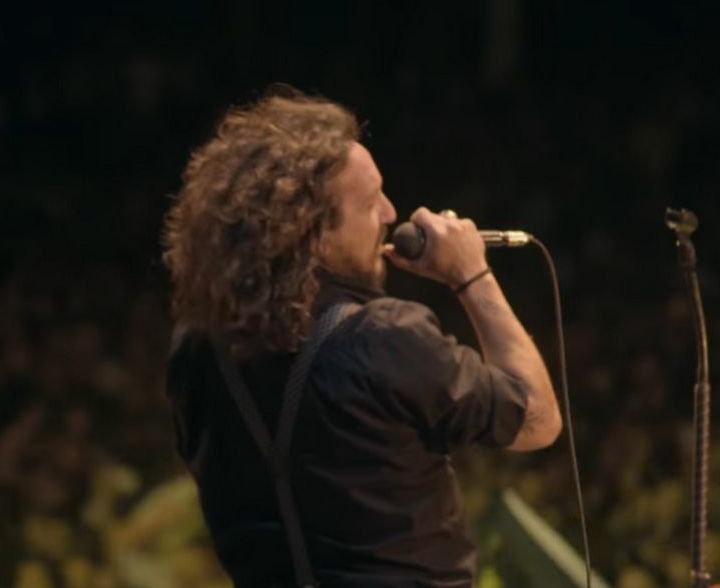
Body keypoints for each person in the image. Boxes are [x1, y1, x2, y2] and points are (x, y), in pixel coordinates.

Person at [162, 88, 562, 588]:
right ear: (312, 232)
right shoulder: (383, 338)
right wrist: (471, 276)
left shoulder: (196, 349)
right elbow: (536, 420)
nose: (390, 213)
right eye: (371, 201)